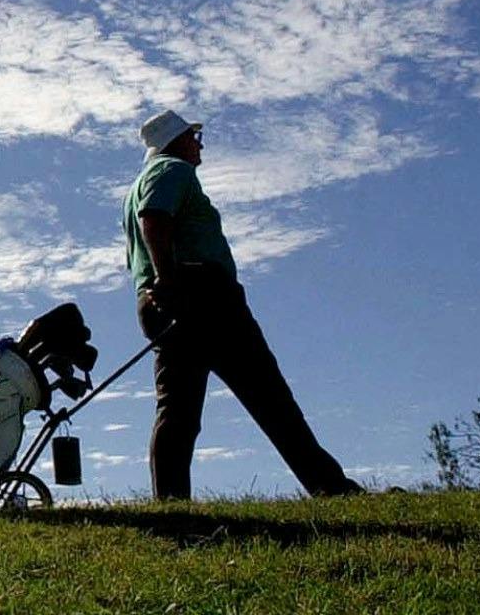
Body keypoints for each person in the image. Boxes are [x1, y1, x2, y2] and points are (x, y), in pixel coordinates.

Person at [124, 109, 364, 501]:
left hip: (160, 300)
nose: (198, 145)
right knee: (269, 397)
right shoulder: (172, 169)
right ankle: (331, 487)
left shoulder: (141, 182)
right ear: (176, 142)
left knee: (178, 410)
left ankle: (170, 503)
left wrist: (164, 284)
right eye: (192, 137)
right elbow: (154, 217)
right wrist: (169, 279)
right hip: (201, 296)